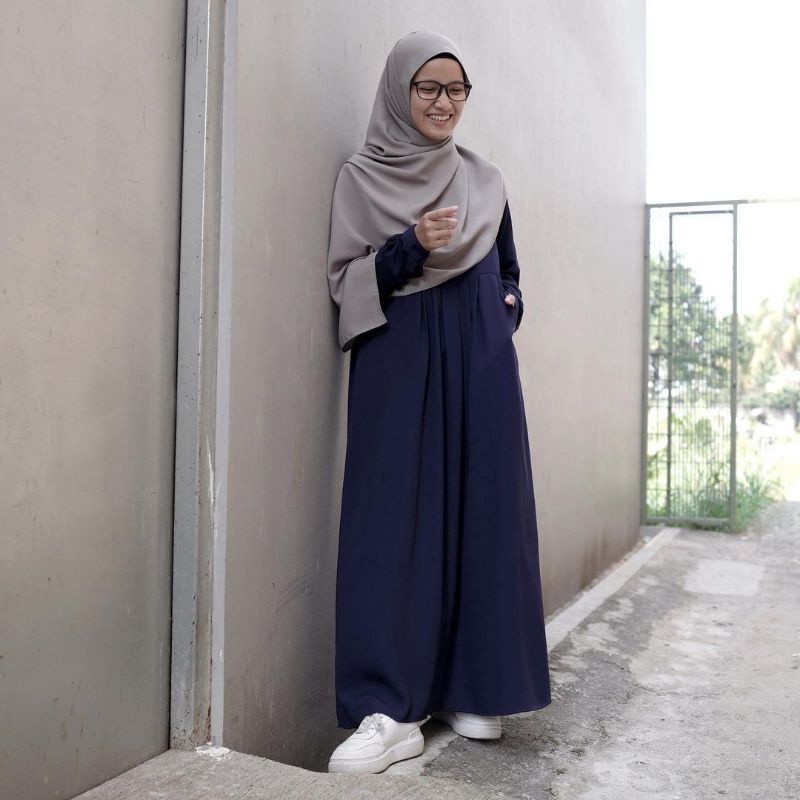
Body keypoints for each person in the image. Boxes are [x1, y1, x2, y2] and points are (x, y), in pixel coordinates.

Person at [325, 30, 551, 775]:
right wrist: (412, 244)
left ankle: (473, 686)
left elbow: (509, 270)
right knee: (392, 521)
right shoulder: (362, 179)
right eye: (429, 88)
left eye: (457, 89)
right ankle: (388, 709)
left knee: (485, 512)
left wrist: (503, 310)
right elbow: (347, 278)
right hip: (400, 357)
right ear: (400, 93)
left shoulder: (486, 180)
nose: (444, 102)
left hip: (480, 362)